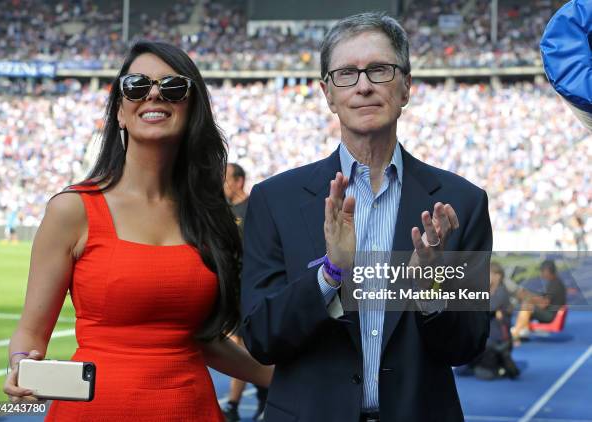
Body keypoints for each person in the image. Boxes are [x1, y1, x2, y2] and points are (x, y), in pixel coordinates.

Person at [240, 12, 492, 422]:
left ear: (406, 86)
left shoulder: (460, 203)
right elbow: (261, 337)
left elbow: (467, 346)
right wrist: (330, 274)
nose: (363, 86)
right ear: (327, 93)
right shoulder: (275, 200)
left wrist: (426, 284)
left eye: (379, 69)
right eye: (346, 74)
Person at [3, 40, 272, 420]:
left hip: (189, 409)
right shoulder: (72, 209)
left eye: (174, 86)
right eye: (136, 85)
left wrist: (285, 378)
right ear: (119, 112)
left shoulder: (211, 217)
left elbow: (198, 341)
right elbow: (30, 334)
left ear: (192, 108)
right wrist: (20, 363)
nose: (154, 94)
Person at [222, 162, 268, 421]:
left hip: (250, 287)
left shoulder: (255, 207)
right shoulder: (225, 211)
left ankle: (235, 404)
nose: (222, 184)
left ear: (239, 181)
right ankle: (256, 398)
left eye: (226, 178)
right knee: (241, 344)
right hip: (233, 287)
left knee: (245, 344)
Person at [511, 259, 567, 344]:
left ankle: (517, 332)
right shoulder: (555, 282)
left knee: (527, 306)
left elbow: (543, 305)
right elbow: (543, 299)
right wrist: (529, 296)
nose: (540, 273)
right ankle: (522, 331)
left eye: (542, 271)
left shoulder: (555, 285)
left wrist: (528, 298)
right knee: (527, 304)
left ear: (548, 271)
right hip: (550, 312)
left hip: (551, 315)